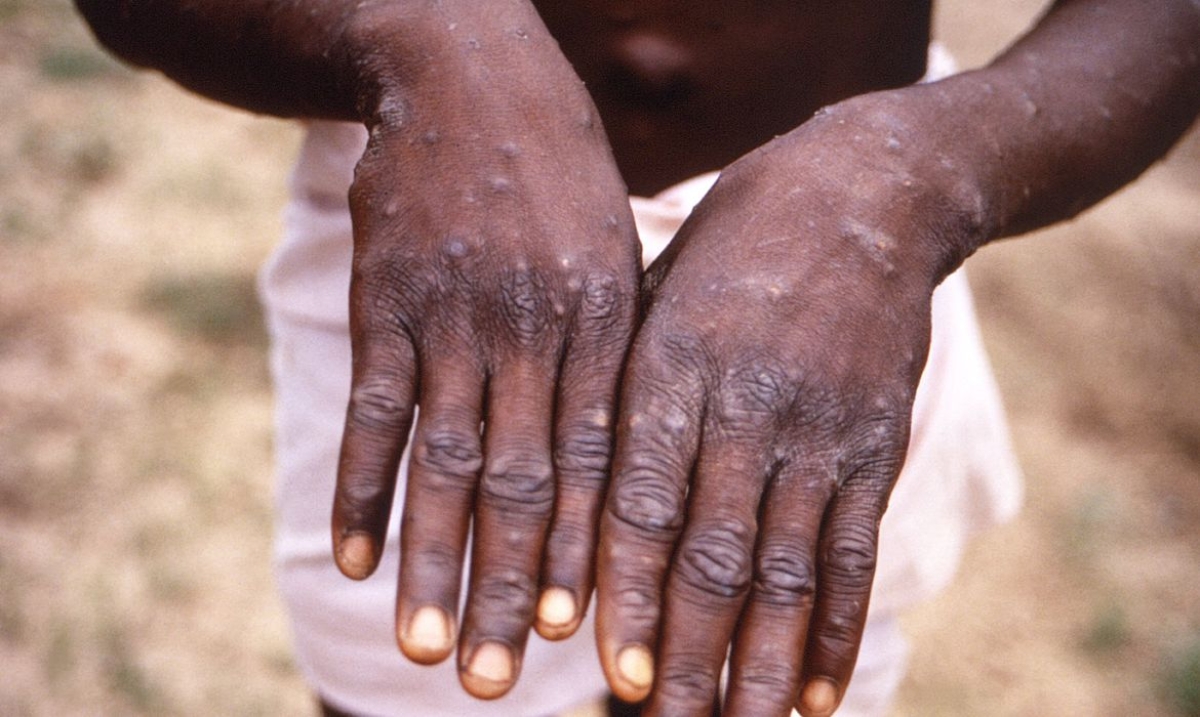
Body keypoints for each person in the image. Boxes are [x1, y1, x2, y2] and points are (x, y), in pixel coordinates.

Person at [72, 1, 1200, 715]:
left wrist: (914, 178)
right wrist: (410, 30)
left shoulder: (883, 210)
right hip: (444, 219)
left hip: (837, 277)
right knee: (415, 685)